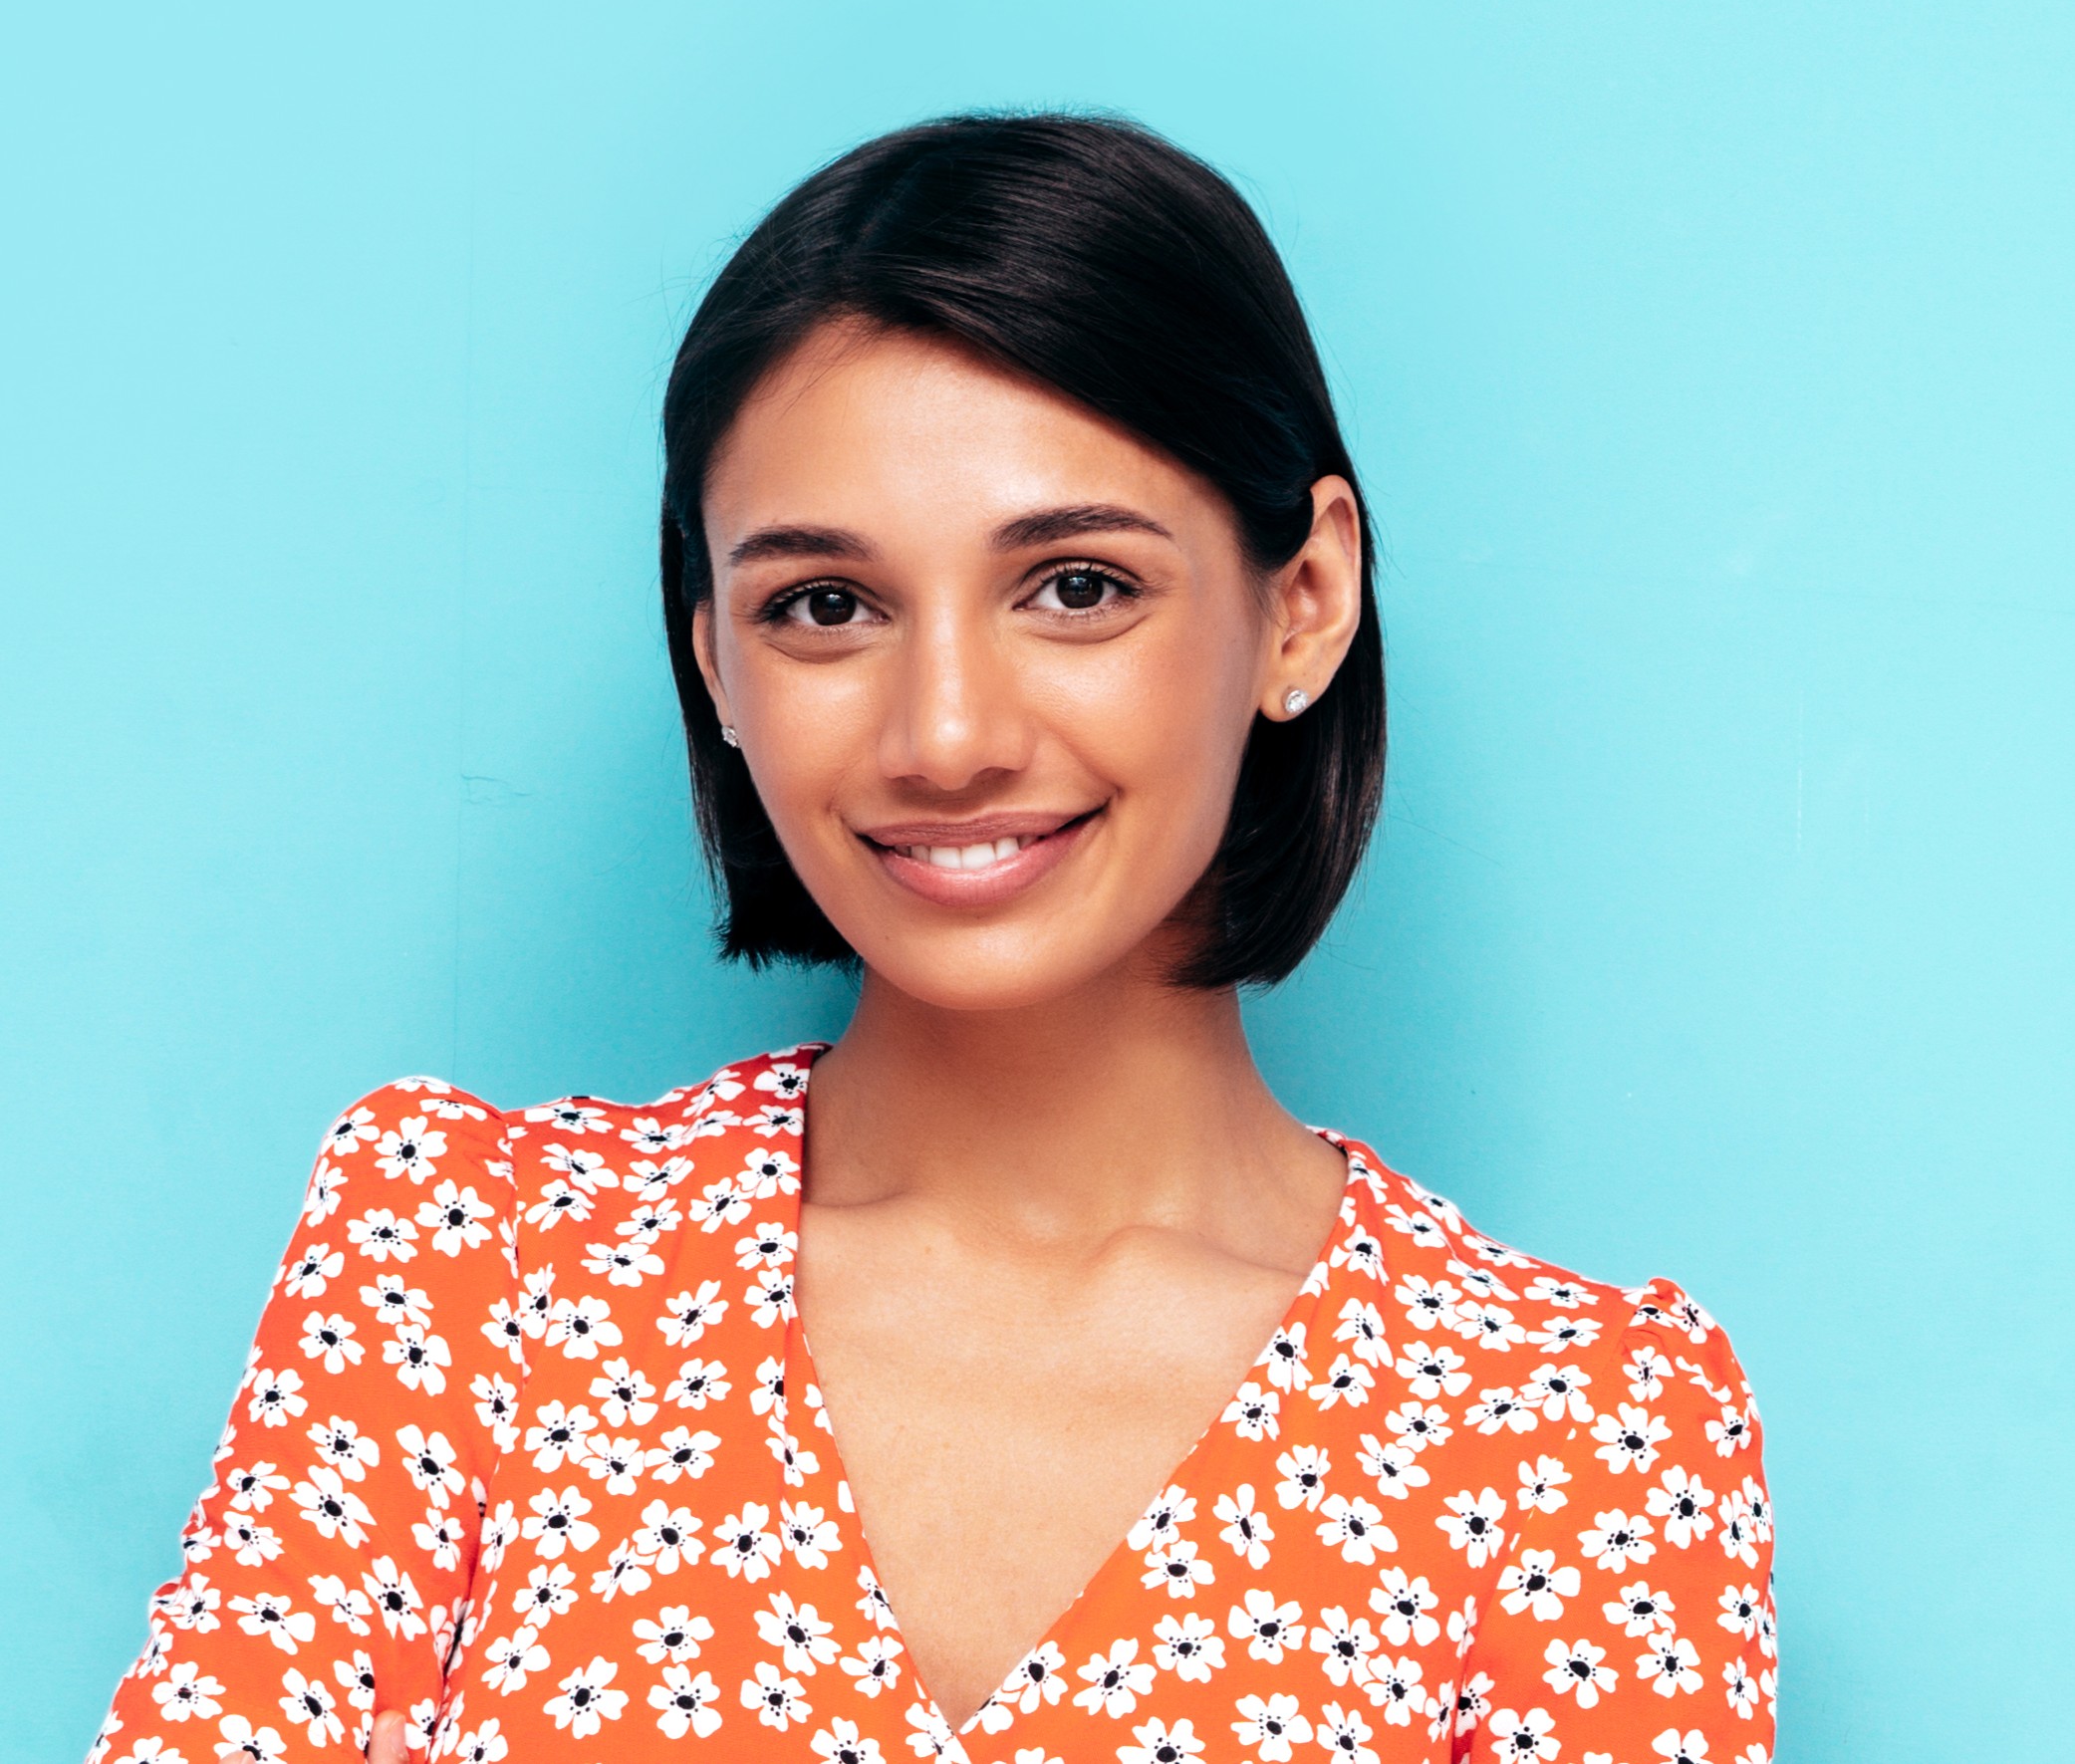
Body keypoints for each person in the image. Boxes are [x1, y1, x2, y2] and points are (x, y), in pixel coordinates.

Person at [94, 117, 1775, 1764]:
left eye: (1076, 587)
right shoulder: (472, 1271)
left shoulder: (1575, 1436)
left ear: (1302, 602)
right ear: (716, 665)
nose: (947, 732)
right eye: (825, 607)